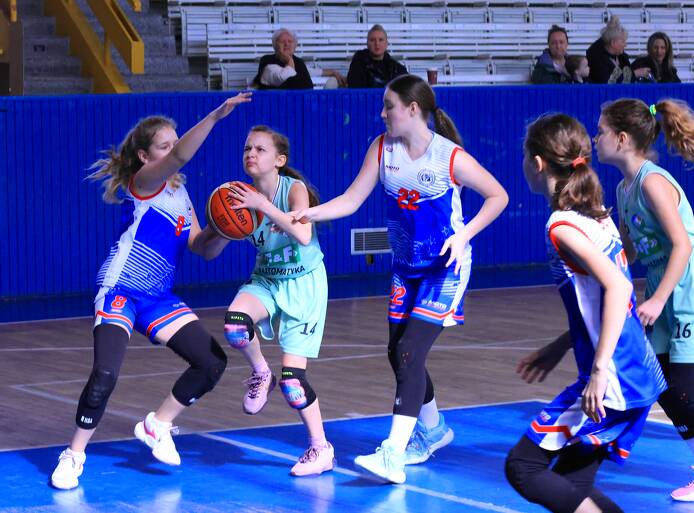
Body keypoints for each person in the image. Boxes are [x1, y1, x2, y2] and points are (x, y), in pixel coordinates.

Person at [291, 74, 509, 484]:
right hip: (405, 268)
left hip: (445, 268)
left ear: (412, 109)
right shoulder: (382, 148)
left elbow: (498, 195)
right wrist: (308, 214)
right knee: (397, 352)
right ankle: (434, 428)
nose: (382, 113)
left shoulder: (450, 157)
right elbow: (352, 199)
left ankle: (393, 452)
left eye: (388, 106)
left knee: (409, 350)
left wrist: (464, 235)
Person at [49, 93, 253, 490]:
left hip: (157, 297)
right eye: (165, 145)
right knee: (105, 374)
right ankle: (73, 455)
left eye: (175, 141)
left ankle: (158, 424)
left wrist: (229, 228)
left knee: (211, 362)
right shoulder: (143, 183)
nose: (174, 149)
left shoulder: (181, 196)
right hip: (122, 289)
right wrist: (215, 117)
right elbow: (179, 157)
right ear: (145, 156)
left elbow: (202, 248)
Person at [506, 113, 666, 513]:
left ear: (537, 163)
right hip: (636, 370)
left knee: (523, 467)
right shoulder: (596, 215)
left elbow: (620, 288)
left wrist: (597, 372)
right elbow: (600, 301)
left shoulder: (562, 226)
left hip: (614, 378)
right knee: (572, 483)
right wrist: (561, 345)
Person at [194, 125, 333, 476]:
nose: (251, 154)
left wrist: (264, 206)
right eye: (247, 149)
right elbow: (207, 253)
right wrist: (220, 226)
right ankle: (260, 371)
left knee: (293, 384)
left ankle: (320, 448)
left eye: (260, 149)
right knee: (235, 326)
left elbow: (303, 234)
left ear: (279, 160)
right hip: (267, 280)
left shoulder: (293, 189)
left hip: (304, 285)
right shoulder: (238, 197)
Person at [596, 98, 694, 502]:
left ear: (622, 139)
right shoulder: (623, 189)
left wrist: (656, 300)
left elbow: (682, 245)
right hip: (663, 287)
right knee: (664, 385)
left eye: (601, 131)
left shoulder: (652, 182)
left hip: (686, 287)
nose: (596, 138)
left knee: (685, 385)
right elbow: (631, 251)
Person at [252, 28, 346, 90]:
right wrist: (289, 60)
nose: (287, 44)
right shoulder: (267, 61)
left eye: (290, 41)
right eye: (282, 41)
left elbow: (310, 72)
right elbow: (282, 76)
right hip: (275, 107)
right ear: (274, 45)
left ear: (295, 45)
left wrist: (333, 72)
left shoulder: (298, 62)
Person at [586, 16, 649, 84]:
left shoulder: (622, 57)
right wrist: (635, 74)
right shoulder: (597, 60)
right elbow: (609, 82)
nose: (625, 45)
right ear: (613, 43)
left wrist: (611, 27)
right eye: (623, 41)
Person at [347, 24, 408, 89]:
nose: (377, 43)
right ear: (367, 44)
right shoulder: (358, 62)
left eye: (381, 40)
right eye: (372, 40)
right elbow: (355, 87)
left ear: (386, 44)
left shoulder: (395, 67)